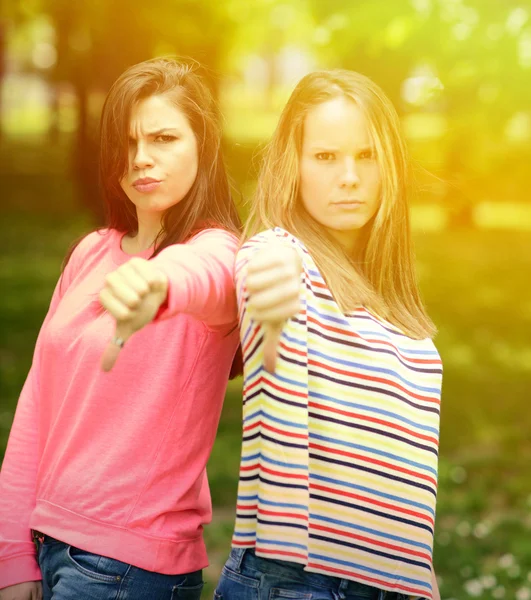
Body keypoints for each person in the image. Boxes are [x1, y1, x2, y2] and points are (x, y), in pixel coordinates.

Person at [0, 57, 242, 600]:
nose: (140, 158)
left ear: (204, 147)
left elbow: (204, 278)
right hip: (48, 547)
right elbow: (36, 405)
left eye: (163, 138)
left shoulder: (218, 253)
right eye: (128, 141)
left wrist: (155, 284)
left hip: (127, 569)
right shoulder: (91, 252)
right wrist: (12, 555)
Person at [215, 70, 443, 600]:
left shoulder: (391, 299)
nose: (349, 176)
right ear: (291, 166)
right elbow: (263, 267)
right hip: (299, 580)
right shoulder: (280, 255)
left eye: (366, 155)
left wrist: (417, 571)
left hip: (390, 584)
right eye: (325, 156)